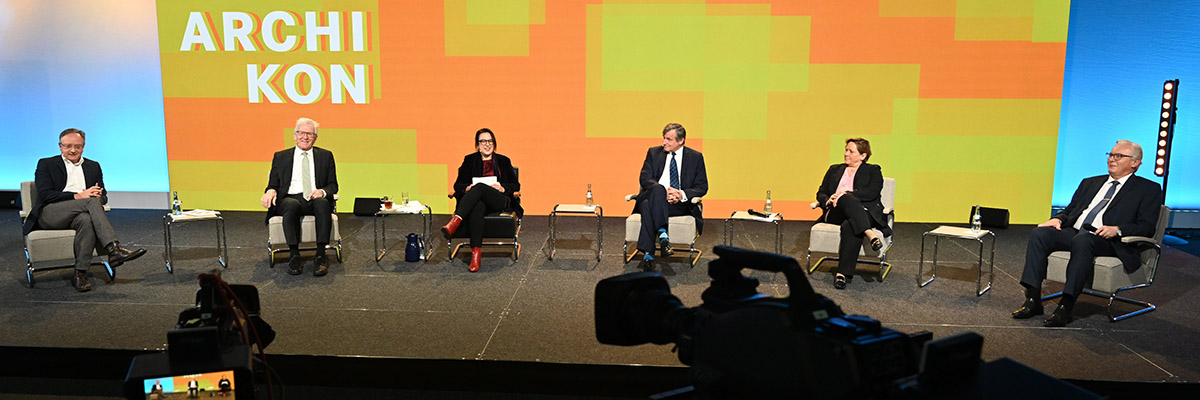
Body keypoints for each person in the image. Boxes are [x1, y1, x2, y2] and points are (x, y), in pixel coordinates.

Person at [1013, 140, 1163, 327]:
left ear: (1135, 163)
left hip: (1110, 240)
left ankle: (1066, 306)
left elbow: (1147, 226)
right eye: (1110, 154)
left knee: (1084, 240)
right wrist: (1058, 219)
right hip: (1076, 232)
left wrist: (1117, 229)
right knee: (1040, 233)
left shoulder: (1148, 189)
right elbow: (1071, 210)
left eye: (1118, 156)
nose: (1111, 159)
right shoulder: (1090, 182)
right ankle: (1033, 299)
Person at [22, 128, 147, 292]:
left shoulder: (93, 166)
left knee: (86, 220)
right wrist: (78, 196)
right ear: (60, 146)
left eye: (77, 146)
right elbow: (45, 195)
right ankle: (113, 249)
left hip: (80, 213)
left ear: (83, 147)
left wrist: (97, 197)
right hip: (50, 213)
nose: (73, 150)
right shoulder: (46, 164)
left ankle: (80, 274)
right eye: (68, 146)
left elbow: (103, 197)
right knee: (89, 202)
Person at [261, 117, 339, 277]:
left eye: (310, 134)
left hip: (314, 197)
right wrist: (269, 191)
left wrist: (322, 191)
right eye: (302, 133)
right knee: (291, 205)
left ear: (315, 137)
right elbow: (273, 183)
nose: (305, 137)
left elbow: (333, 185)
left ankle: (320, 256)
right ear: (295, 135)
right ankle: (294, 255)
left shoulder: (325, 156)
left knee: (323, 203)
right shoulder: (281, 156)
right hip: (290, 198)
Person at [440, 128, 522, 272]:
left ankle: (455, 221)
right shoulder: (469, 160)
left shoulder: (503, 160)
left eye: (490, 141)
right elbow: (457, 185)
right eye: (483, 141)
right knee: (477, 203)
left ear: (494, 144)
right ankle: (475, 255)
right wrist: (466, 189)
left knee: (479, 188)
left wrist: (502, 188)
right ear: (477, 145)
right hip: (477, 202)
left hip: (498, 201)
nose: (487, 144)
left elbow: (515, 185)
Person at [814, 137, 891, 290]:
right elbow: (821, 192)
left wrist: (846, 194)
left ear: (863, 155)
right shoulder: (834, 169)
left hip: (864, 211)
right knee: (844, 198)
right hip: (836, 211)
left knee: (850, 224)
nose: (846, 154)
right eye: (846, 150)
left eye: (851, 151)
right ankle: (869, 233)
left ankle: (842, 274)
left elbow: (872, 192)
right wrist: (829, 199)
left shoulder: (873, 170)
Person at [632, 122, 708, 271]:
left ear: (681, 141)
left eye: (669, 139)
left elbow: (702, 187)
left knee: (648, 206)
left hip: (678, 204)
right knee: (657, 190)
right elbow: (645, 178)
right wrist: (662, 191)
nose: (663, 142)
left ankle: (649, 253)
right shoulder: (654, 153)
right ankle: (663, 237)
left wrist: (681, 194)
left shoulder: (695, 157)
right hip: (654, 195)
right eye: (663, 138)